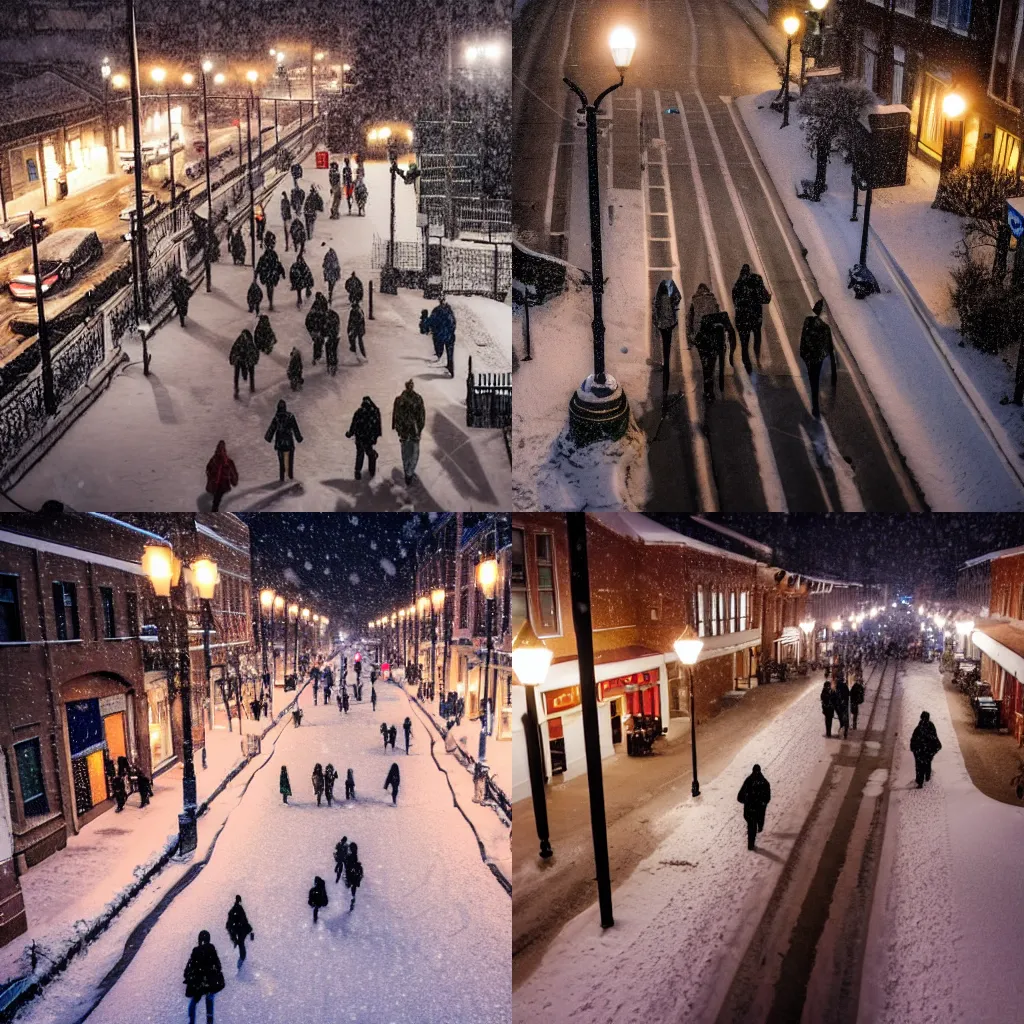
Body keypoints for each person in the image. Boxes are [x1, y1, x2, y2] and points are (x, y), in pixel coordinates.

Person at [799, 298, 836, 419]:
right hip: (817, 357)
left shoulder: (807, 321)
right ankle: (815, 404)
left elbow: (804, 338)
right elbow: (830, 348)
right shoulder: (825, 328)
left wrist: (803, 353)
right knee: (815, 378)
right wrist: (833, 368)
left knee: (812, 379)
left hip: (808, 356)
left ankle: (815, 404)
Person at [731, 263, 772, 372]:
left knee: (744, 343)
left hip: (742, 318)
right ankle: (757, 358)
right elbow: (765, 299)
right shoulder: (757, 280)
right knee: (757, 337)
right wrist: (768, 296)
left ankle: (747, 365)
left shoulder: (737, 285)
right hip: (755, 316)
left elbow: (735, 302)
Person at [183, 930, 224, 1024]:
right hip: (210, 982)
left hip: (198, 983)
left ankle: (191, 1021)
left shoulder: (196, 951)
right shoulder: (212, 949)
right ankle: (209, 1021)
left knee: (194, 1001)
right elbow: (218, 966)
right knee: (209, 1002)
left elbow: (190, 966)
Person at [695, 309, 732, 406]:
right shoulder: (720, 320)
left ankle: (708, 390)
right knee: (709, 367)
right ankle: (709, 391)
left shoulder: (720, 319)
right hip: (707, 343)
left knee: (707, 368)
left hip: (707, 343)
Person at [392, 380, 426, 486]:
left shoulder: (399, 400)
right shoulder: (418, 399)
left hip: (404, 431)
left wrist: (397, 427)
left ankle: (407, 472)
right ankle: (409, 472)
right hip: (414, 431)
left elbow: (396, 415)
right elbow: (422, 416)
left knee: (406, 453)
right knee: (414, 453)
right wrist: (419, 428)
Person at [652, 278, 682, 396]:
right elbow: (676, 302)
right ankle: (666, 367)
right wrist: (674, 322)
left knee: (663, 344)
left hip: (661, 326)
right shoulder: (668, 300)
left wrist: (657, 323)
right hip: (668, 326)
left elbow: (655, 314)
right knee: (667, 346)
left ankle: (664, 363)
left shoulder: (657, 300)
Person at [265, 399, 303, 481]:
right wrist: (299, 438)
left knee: (281, 462)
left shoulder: (276, 418)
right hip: (289, 442)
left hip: (280, 443)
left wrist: (268, 438)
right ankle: (290, 476)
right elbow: (295, 429)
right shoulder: (290, 416)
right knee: (290, 461)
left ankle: (282, 478)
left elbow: (271, 430)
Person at [346, 396, 382, 481]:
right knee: (370, 453)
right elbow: (377, 426)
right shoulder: (374, 412)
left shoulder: (359, 412)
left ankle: (357, 471)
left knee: (360, 454)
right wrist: (376, 436)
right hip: (368, 438)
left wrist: (350, 433)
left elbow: (353, 425)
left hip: (359, 438)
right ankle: (371, 471)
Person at [737, 764, 772, 851]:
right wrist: (762, 803)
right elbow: (767, 797)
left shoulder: (749, 781)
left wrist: (747, 801)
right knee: (754, 825)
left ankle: (751, 844)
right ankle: (753, 840)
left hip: (750, 810)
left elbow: (740, 797)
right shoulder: (764, 782)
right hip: (757, 810)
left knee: (751, 827)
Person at [421, 296, 457, 377]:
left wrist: (425, 320)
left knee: (440, 349)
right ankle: (450, 366)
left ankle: (441, 358)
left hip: (440, 335)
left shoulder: (437, 311)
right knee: (450, 352)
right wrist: (451, 331)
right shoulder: (449, 311)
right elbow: (454, 322)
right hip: (450, 335)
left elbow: (431, 321)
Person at [910, 711, 942, 788]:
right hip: (928, 750)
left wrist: (914, 748)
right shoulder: (931, 726)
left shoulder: (919, 727)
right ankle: (927, 776)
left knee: (919, 766)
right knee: (927, 763)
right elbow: (934, 737)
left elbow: (914, 738)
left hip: (920, 751)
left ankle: (920, 781)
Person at [205, 441, 238, 512]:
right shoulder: (215, 459)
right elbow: (208, 468)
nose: (221, 452)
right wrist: (211, 475)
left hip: (222, 482)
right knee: (217, 497)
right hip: (217, 482)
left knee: (217, 497)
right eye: (220, 450)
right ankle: (214, 508)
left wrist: (233, 480)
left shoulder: (226, 461)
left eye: (223, 450)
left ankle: (215, 508)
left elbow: (232, 471)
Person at [225, 895, 254, 968]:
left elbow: (230, 925)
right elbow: (244, 921)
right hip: (240, 930)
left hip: (239, 930)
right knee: (241, 944)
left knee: (241, 944)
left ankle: (242, 961)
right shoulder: (238, 910)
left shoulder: (236, 910)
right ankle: (242, 962)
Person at [229, 329, 259, 398]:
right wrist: (254, 360)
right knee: (251, 373)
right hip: (248, 359)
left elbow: (233, 350)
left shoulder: (239, 340)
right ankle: (252, 387)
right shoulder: (250, 341)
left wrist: (232, 360)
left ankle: (236, 389)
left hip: (240, 360)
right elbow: (255, 351)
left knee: (237, 375)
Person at [256, 246, 285, 311]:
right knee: (270, 289)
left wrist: (256, 275)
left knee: (269, 289)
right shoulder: (274, 257)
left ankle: (270, 301)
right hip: (272, 276)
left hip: (267, 276)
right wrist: (282, 273)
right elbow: (279, 265)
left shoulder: (263, 258)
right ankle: (270, 302)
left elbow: (259, 267)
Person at [306, 293, 327, 364]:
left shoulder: (317, 305)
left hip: (317, 327)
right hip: (318, 327)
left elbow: (309, 319)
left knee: (317, 342)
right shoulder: (322, 304)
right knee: (318, 342)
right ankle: (317, 355)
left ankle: (316, 356)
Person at [834, 674, 850, 740]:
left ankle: (842, 727)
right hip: (844, 704)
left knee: (841, 718)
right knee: (845, 718)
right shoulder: (844, 685)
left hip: (840, 705)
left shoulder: (837, 686)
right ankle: (845, 730)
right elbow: (848, 694)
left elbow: (835, 695)